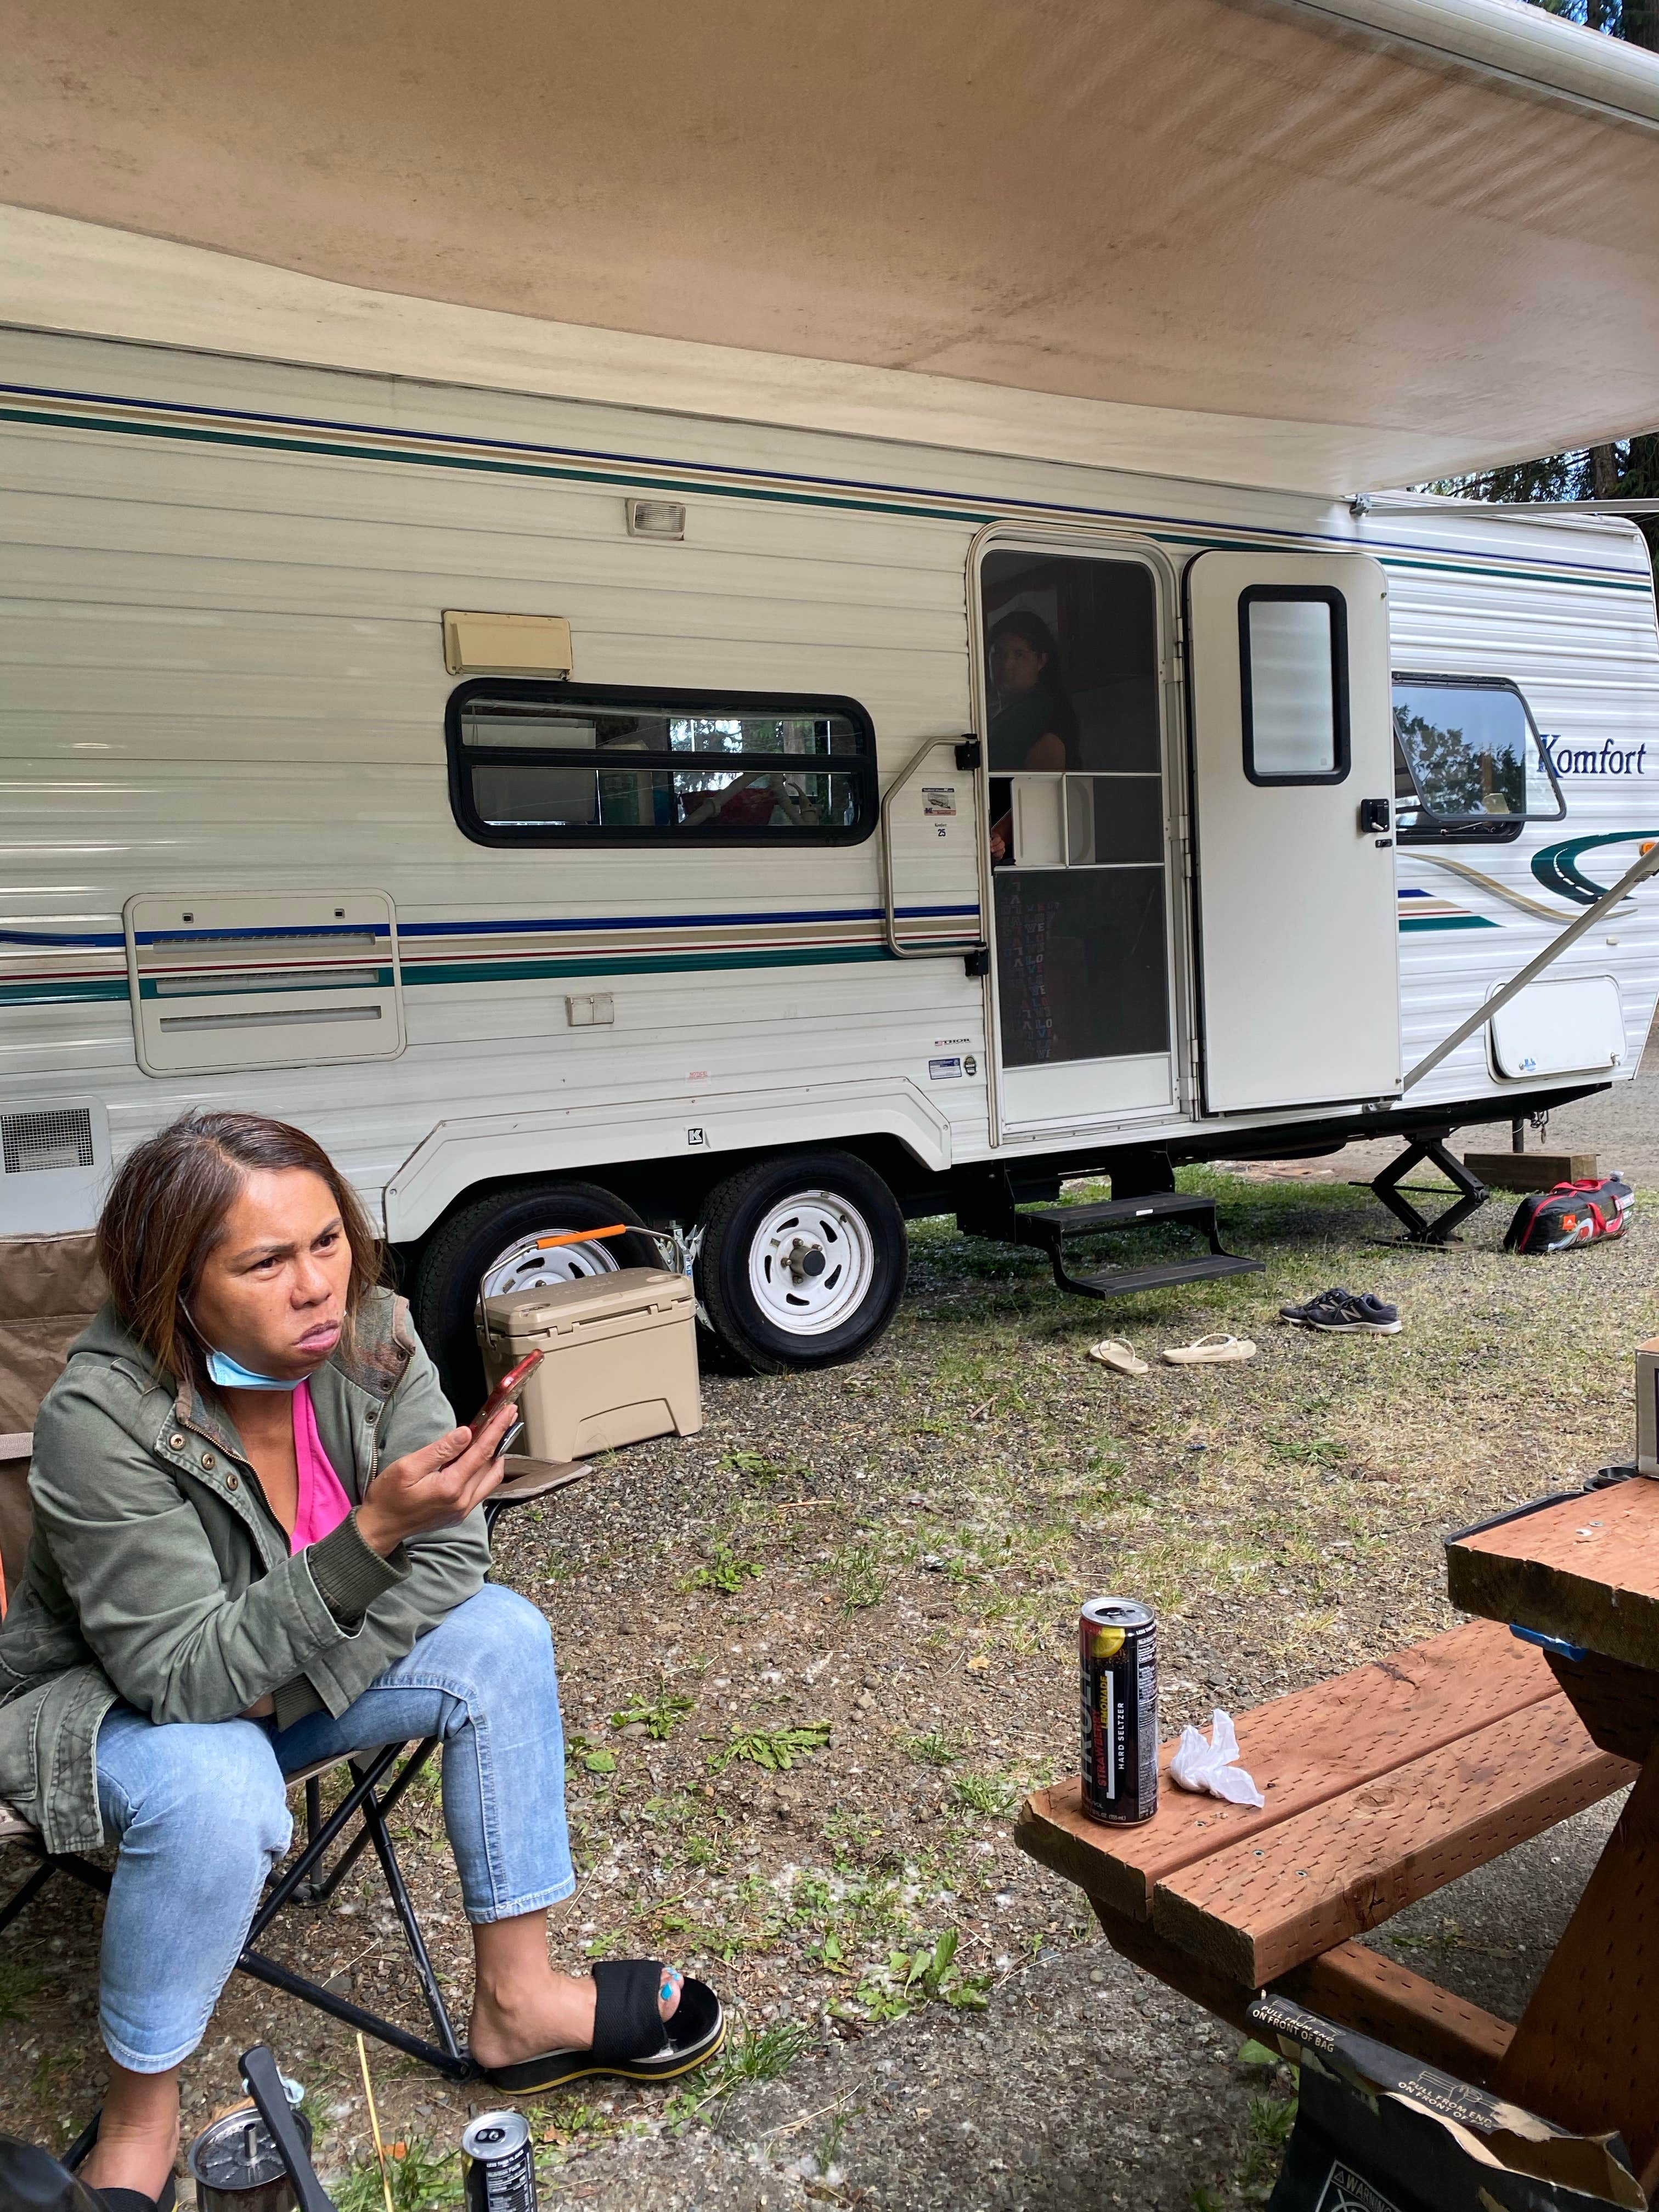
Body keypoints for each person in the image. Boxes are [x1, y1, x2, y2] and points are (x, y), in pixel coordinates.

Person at [0, 1113, 721, 2210]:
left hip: (279, 1678)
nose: (315, 1288)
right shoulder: (101, 1422)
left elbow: (454, 1562)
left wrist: (306, 1661)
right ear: (173, 1284)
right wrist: (368, 1538)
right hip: (105, 1708)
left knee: (500, 1632)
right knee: (216, 1779)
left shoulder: (376, 1340)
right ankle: (141, 2126)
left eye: (327, 1242)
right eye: (266, 1262)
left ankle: (518, 2000)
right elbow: (183, 1681)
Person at [985, 610, 1080, 863]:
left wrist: (998, 835)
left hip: (1021, 851)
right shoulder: (995, 713)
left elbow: (1041, 789)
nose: (1007, 665)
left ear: (1041, 661)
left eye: (1020, 655)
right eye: (999, 653)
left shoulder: (1045, 712)